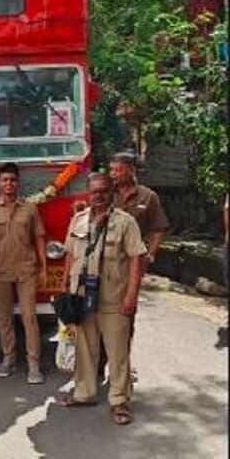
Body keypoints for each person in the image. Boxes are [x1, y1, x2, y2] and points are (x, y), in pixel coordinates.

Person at [56, 172, 147, 425]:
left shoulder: (125, 222)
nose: (99, 195)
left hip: (114, 298)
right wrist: (65, 286)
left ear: (112, 192)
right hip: (82, 297)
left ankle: (119, 401)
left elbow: (136, 259)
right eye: (94, 191)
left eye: (104, 190)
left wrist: (131, 296)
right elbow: (70, 255)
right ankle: (84, 393)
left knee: (117, 352)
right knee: (85, 349)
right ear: (88, 192)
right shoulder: (78, 220)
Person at [0, 162, 48, 384]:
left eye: (12, 180)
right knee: (5, 318)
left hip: (26, 270)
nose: (8, 184)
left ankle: (33, 364)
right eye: (5, 180)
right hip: (0, 270)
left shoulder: (30, 209)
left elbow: (39, 239)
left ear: (18, 183)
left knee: (29, 317)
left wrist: (44, 269)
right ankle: (8, 358)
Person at [107, 151, 169, 380]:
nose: (113, 174)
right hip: (104, 263)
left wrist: (150, 255)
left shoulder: (147, 197)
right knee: (99, 312)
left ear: (131, 170)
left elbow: (158, 229)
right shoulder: (106, 193)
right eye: (111, 170)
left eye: (118, 170)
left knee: (126, 313)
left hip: (131, 266)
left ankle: (123, 363)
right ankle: (102, 361)